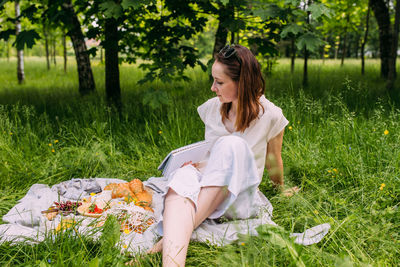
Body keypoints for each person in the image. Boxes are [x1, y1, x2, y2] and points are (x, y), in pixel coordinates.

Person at [149, 44, 296, 266]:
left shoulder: (271, 116)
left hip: (240, 198)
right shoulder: (211, 108)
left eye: (219, 82)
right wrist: (195, 165)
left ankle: (168, 239)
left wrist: (280, 189)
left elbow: (273, 160)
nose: (212, 88)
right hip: (209, 190)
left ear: (242, 83)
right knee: (183, 176)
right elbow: (212, 160)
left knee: (231, 145)